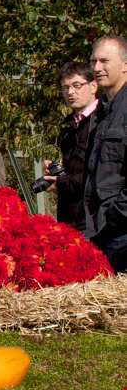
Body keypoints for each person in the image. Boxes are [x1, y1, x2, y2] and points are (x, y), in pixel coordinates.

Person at [84, 35, 127, 272]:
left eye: (104, 61)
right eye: (93, 61)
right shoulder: (101, 112)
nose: (97, 68)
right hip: (104, 233)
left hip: (121, 232)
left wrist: (112, 216)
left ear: (124, 65)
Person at [43, 62, 98, 232]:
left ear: (93, 86)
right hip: (69, 216)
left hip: (95, 217)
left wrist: (61, 182)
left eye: (77, 85)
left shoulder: (103, 121)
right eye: (65, 87)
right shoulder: (68, 125)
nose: (70, 92)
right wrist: (57, 171)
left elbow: (96, 174)